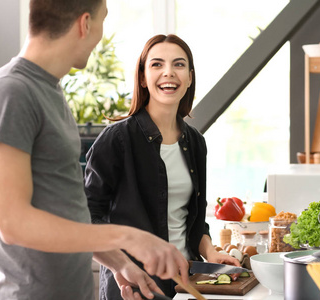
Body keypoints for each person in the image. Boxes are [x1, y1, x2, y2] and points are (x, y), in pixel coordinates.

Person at [0, 1, 189, 299]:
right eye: (102, 21)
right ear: (85, 24)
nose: (100, 35)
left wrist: (120, 262)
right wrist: (129, 237)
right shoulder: (11, 93)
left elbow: (67, 214)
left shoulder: (50, 92)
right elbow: (13, 223)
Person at [84, 34, 240, 299]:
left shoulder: (195, 141)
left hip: (187, 282)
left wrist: (211, 252)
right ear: (143, 77)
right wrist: (123, 261)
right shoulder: (117, 139)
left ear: (189, 77)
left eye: (178, 65)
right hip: (134, 284)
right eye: (157, 64)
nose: (169, 72)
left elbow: (193, 218)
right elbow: (86, 218)